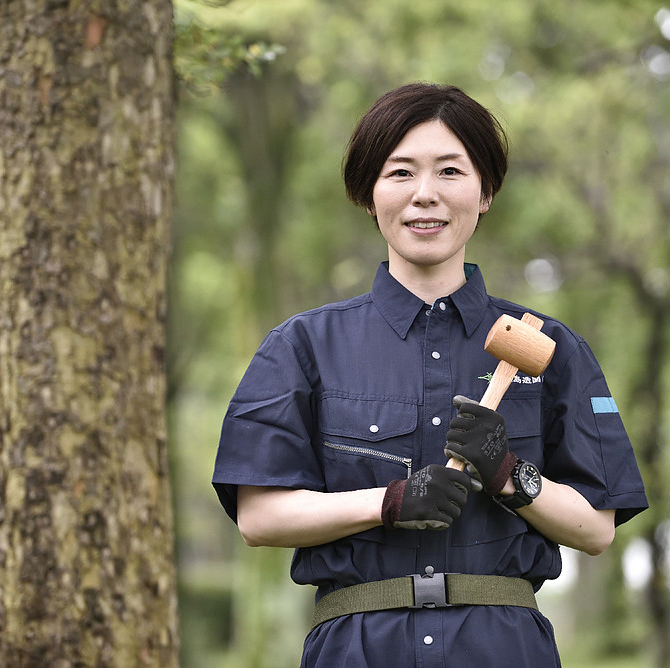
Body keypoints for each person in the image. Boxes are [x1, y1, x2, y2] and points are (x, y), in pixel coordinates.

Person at [212, 82, 648, 667]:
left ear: (485, 191)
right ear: (369, 195)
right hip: (357, 650)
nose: (424, 196)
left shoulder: (553, 347)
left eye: (450, 172)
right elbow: (259, 516)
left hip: (502, 649)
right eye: (399, 173)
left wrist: (509, 473)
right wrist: (387, 501)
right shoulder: (302, 346)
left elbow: (596, 529)